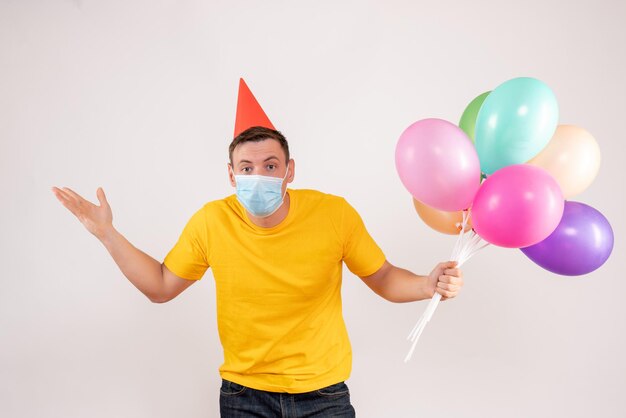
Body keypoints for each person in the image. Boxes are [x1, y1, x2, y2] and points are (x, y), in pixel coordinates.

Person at [51, 79, 464, 417]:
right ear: (231, 176)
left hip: (324, 395)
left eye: (270, 165)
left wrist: (426, 285)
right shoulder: (212, 221)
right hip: (244, 396)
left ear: (290, 171)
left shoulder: (334, 214)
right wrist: (108, 233)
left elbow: (384, 277)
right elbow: (160, 285)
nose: (259, 176)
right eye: (247, 168)